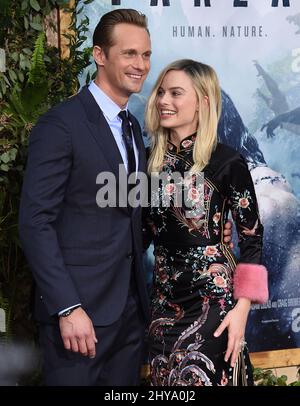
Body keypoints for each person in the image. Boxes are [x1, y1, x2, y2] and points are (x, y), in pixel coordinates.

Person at [18, 9, 233, 386]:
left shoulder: (133, 128)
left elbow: (135, 218)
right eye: (129, 54)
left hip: (131, 317)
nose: (141, 65)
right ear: (100, 55)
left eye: (146, 55)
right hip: (79, 317)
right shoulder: (61, 125)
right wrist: (68, 307)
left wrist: (207, 237)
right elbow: (35, 223)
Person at [144, 59, 269, 386]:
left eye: (175, 93)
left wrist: (241, 311)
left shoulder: (227, 161)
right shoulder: (147, 163)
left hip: (215, 305)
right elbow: (141, 233)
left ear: (203, 102)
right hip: (162, 305)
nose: (163, 101)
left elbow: (252, 237)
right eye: (161, 92)